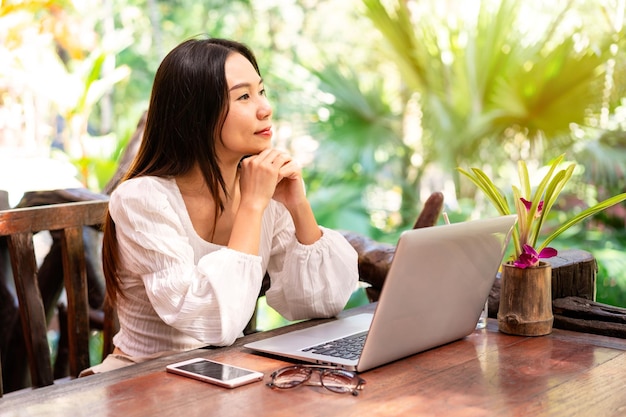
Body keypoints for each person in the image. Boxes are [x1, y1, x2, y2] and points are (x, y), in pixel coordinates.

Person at [83, 38, 359, 374]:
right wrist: (253, 206)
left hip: (226, 373)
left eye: (262, 91)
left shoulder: (262, 189)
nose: (265, 108)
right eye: (243, 96)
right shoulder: (142, 198)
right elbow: (214, 323)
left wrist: (297, 204)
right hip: (143, 379)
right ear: (197, 115)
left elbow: (323, 302)